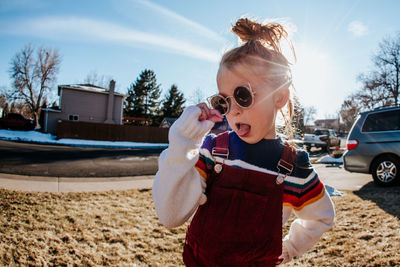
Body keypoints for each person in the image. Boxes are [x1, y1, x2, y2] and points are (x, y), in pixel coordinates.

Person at [153, 17, 335, 266]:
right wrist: (183, 143)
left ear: (280, 96)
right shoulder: (214, 152)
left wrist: (290, 248)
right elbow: (170, 215)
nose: (233, 111)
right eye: (223, 101)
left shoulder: (295, 168)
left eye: (243, 95)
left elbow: (322, 216)